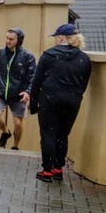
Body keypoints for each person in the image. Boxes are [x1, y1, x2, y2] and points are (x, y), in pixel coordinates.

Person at [29, 24, 91, 183]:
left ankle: (47, 170)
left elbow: (36, 81)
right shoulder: (84, 58)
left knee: (48, 133)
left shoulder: (49, 55)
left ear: (62, 37)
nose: (55, 39)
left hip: (50, 98)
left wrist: (34, 104)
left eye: (56, 37)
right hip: (73, 99)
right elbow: (84, 83)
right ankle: (58, 169)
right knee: (63, 135)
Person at [0, 28, 36, 149]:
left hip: (18, 94)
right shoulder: (0, 53)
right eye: (7, 38)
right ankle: (5, 132)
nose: (8, 41)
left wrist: (27, 92)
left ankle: (15, 145)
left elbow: (32, 77)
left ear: (18, 40)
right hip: (1, 91)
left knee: (18, 123)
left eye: (11, 39)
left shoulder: (27, 56)